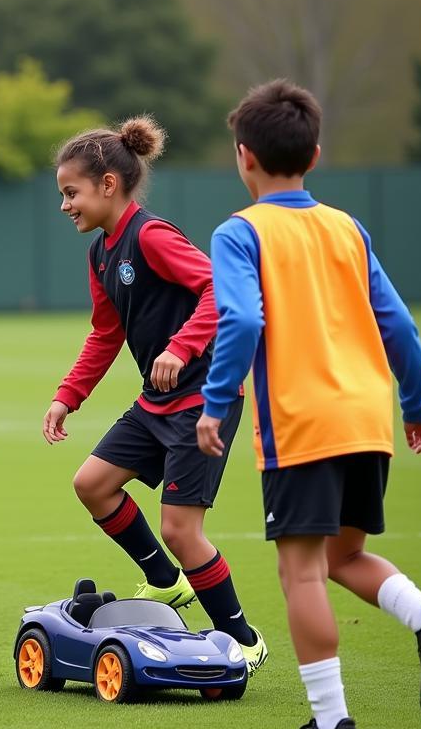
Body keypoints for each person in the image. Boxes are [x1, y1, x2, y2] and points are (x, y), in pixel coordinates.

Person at [197, 79, 421, 729]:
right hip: (366, 419)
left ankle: (332, 727)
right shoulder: (347, 229)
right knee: (344, 556)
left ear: (244, 157)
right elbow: (401, 327)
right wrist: (418, 406)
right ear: (316, 154)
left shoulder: (239, 232)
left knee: (301, 572)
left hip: (302, 424)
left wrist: (216, 405)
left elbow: (241, 318)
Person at [44, 117, 267, 671]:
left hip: (203, 396)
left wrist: (182, 347)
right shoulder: (100, 254)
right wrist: (67, 397)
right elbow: (104, 334)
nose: (66, 205)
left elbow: (220, 288)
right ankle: (166, 583)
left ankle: (243, 638)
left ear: (108, 186)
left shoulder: (151, 236)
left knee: (180, 528)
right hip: (156, 401)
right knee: (93, 484)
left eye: (71, 193)